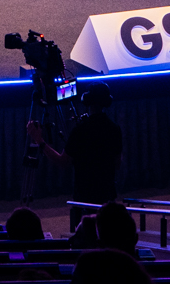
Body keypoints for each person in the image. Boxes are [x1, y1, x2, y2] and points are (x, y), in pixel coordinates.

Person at [27, 85, 123, 232]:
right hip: (108, 193)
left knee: (86, 236)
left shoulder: (80, 131)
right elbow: (117, 163)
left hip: (84, 195)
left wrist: (39, 141)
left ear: (87, 102)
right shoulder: (115, 129)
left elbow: (62, 161)